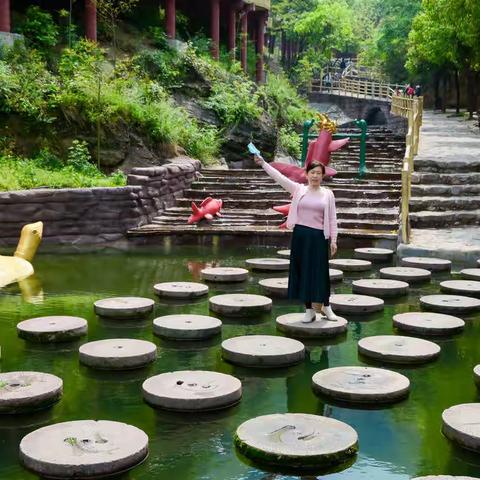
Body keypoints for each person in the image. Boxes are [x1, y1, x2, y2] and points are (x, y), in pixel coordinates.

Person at [253, 155, 340, 323]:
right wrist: (263, 163)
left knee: (321, 273)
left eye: (318, 173)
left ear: (323, 176)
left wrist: (334, 239)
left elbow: (332, 219)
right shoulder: (299, 189)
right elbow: (279, 177)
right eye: (312, 172)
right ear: (306, 174)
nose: (315, 176)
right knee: (303, 272)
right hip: (301, 235)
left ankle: (327, 307)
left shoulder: (328, 194)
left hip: (318, 237)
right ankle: (309, 310)